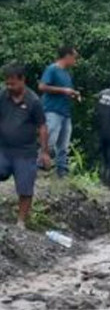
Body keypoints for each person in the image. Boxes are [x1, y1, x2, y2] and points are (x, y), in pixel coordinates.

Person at [0, 64, 51, 229]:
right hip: (4, 149)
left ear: (22, 80)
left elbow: (42, 127)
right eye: (7, 83)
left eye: (12, 84)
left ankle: (21, 221)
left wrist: (44, 152)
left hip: (25, 152)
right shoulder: (2, 96)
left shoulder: (33, 101)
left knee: (25, 187)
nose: (9, 87)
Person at [38, 45, 80, 178]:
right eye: (74, 58)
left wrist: (73, 94)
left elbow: (65, 91)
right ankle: (39, 167)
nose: (75, 61)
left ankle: (62, 173)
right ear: (67, 56)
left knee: (64, 145)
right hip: (52, 110)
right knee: (49, 141)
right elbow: (42, 86)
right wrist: (63, 90)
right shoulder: (52, 69)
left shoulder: (66, 73)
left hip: (65, 112)